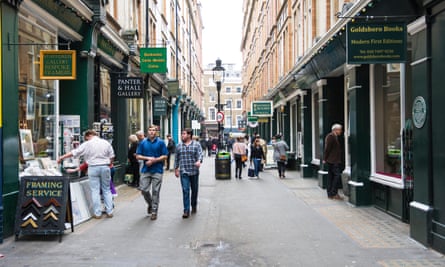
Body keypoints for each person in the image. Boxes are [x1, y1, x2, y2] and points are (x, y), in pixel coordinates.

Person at [57, 130, 115, 219]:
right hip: (105, 167)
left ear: (89, 135)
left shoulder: (87, 144)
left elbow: (74, 152)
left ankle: (98, 213)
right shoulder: (106, 143)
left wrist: (62, 157)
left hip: (93, 167)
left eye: (86, 137)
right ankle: (109, 211)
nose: (86, 139)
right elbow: (112, 156)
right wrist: (109, 164)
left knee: (95, 190)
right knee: (106, 189)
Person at [136, 125, 168, 220]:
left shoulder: (161, 142)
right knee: (144, 190)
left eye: (153, 130)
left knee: (155, 191)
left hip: (157, 170)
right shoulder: (143, 143)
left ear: (156, 132)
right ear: (147, 131)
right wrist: (148, 158)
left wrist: (154, 160)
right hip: (146, 170)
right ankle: (150, 204)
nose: (151, 132)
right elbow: (138, 156)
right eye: (150, 130)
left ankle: (154, 211)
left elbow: (165, 156)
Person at [174, 128, 203, 219]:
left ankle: (193, 205)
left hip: (194, 171)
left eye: (184, 134)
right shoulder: (179, 145)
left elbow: (200, 154)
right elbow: (176, 158)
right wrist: (176, 169)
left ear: (189, 135)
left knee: (194, 190)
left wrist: (199, 161)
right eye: (182, 134)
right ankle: (186, 210)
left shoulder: (196, 144)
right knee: (185, 190)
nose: (182, 135)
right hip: (184, 172)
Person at [323, 123, 344, 200]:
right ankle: (333, 193)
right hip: (332, 161)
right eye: (340, 130)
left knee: (331, 177)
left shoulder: (334, 137)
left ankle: (331, 194)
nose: (341, 131)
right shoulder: (330, 136)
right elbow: (327, 148)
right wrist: (325, 159)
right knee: (336, 176)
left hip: (334, 160)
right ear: (336, 130)